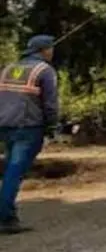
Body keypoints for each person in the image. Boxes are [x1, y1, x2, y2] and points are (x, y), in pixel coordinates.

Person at [0, 34, 59, 234]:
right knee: (14, 172)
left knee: (10, 168)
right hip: (28, 128)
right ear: (44, 50)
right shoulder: (45, 70)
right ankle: (5, 217)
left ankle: (9, 214)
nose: (52, 51)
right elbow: (50, 103)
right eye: (51, 48)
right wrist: (52, 126)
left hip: (5, 125)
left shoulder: (9, 68)